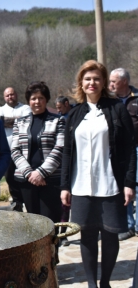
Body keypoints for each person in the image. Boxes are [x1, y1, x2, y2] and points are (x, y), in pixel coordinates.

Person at [61, 60, 136, 288]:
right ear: (81, 84)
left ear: (103, 82)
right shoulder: (74, 115)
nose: (91, 82)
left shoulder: (116, 109)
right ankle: (92, 284)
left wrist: (129, 182)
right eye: (87, 79)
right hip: (81, 186)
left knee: (111, 235)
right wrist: (65, 186)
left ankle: (105, 282)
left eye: (96, 78)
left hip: (110, 184)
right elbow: (67, 153)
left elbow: (129, 147)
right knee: (87, 236)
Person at [11, 81, 64, 224]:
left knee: (51, 225)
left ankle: (53, 248)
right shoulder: (19, 123)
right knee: (34, 226)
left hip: (50, 181)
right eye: (33, 98)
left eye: (40, 98)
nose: (37, 102)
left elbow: (60, 149)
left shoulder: (58, 121)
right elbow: (15, 150)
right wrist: (29, 173)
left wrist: (41, 173)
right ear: (28, 101)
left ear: (46, 99)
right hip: (27, 182)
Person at [109, 67, 138, 241]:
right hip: (118, 150)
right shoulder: (109, 101)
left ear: (124, 82)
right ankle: (127, 225)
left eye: (114, 81)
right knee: (123, 186)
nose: (110, 84)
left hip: (137, 147)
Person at [0, 87, 31, 211]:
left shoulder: (25, 108)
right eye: (7, 95)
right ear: (4, 97)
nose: (10, 97)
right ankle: (17, 201)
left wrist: (6, 121)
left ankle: (26, 200)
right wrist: (18, 120)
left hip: (23, 151)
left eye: (12, 94)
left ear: (17, 94)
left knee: (24, 176)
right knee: (10, 177)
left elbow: (28, 121)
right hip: (6, 151)